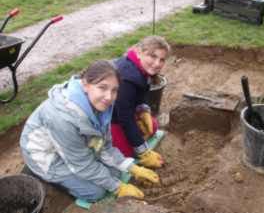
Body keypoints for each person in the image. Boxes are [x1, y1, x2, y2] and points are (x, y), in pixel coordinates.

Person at [20, 60, 160, 202]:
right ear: (85, 84)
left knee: (116, 173)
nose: (109, 97)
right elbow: (82, 164)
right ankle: (51, 182)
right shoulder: (63, 118)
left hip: (72, 150)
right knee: (96, 192)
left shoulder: (101, 105)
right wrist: (118, 188)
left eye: (114, 90)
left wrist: (132, 168)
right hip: (47, 157)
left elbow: (104, 145)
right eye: (102, 87)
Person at [111, 35, 171, 168]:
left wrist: (143, 110)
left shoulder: (141, 69)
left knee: (153, 126)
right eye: (152, 56)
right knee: (127, 153)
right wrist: (144, 152)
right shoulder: (127, 79)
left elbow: (140, 95)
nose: (157, 64)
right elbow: (125, 119)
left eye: (162, 60)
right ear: (139, 52)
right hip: (109, 118)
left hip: (122, 111)